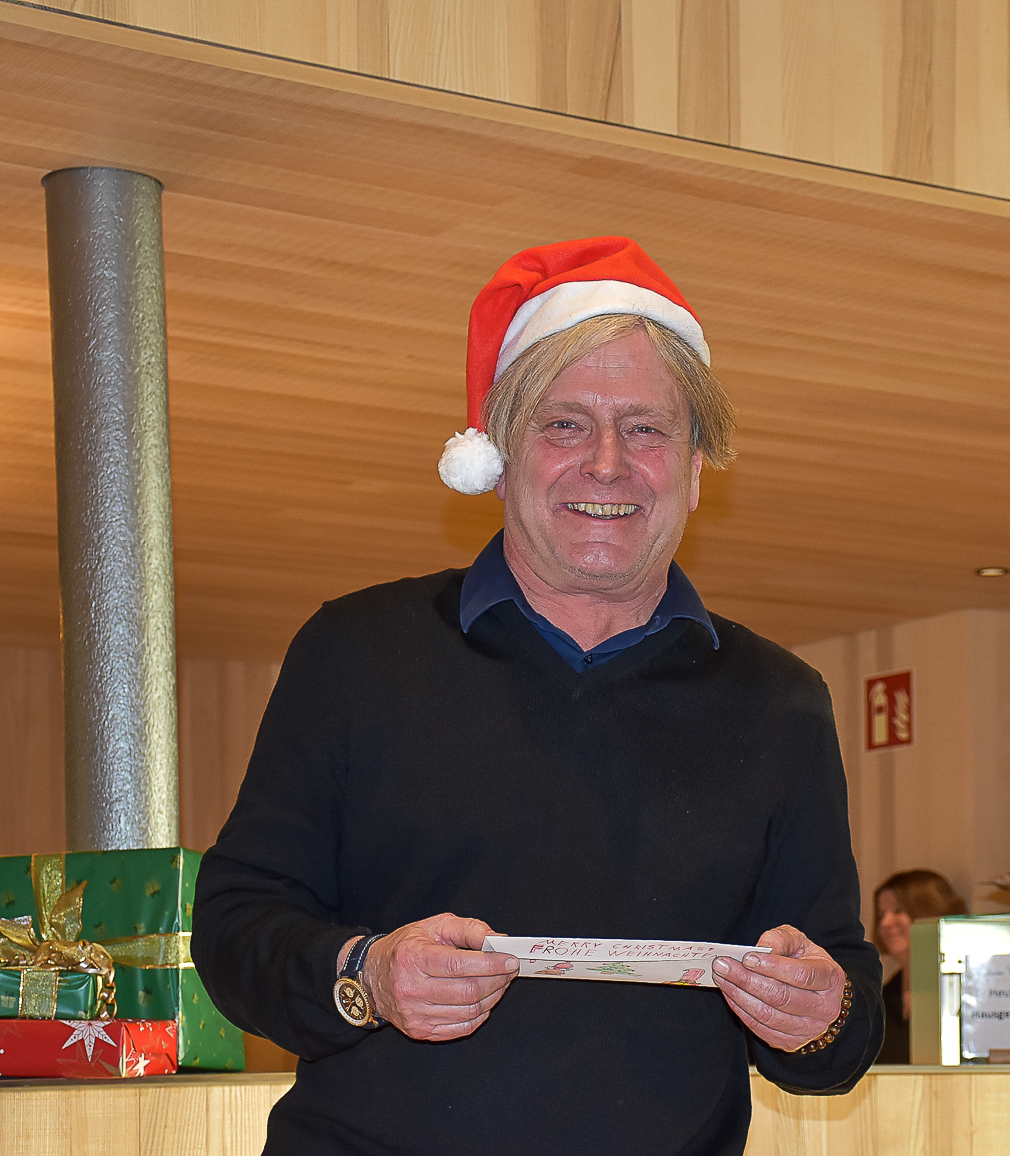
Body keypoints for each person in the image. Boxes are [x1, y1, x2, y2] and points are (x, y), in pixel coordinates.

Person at [193, 236, 882, 1154]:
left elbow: (839, 1023)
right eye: (564, 424)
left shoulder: (781, 701)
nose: (607, 463)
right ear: (499, 453)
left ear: (695, 469)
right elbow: (235, 929)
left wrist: (821, 1015)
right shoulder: (357, 652)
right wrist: (367, 975)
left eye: (646, 429)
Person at [870, 869, 967, 1064]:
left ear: (930, 912)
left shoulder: (964, 990)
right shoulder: (880, 1000)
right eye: (881, 915)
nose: (886, 923)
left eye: (898, 910)